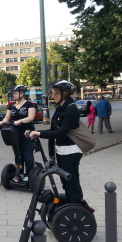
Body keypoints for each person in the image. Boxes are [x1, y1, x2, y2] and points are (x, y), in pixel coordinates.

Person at [26, 80, 92, 208]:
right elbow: (52, 130)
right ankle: (70, 205)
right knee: (65, 182)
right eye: (53, 93)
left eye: (55, 93)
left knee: (71, 181)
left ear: (65, 94)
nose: (53, 96)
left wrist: (39, 133)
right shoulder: (60, 109)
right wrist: (35, 132)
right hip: (61, 150)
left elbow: (62, 132)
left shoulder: (71, 109)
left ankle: (76, 207)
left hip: (72, 151)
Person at [0, 85, 36, 181]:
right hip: (14, 134)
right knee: (18, 154)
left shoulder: (29, 104)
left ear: (22, 93)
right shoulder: (11, 105)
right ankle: (19, 173)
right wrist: (3, 122)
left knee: (27, 154)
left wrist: (20, 121)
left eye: (15, 93)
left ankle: (29, 174)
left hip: (27, 133)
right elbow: (7, 117)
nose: (14, 95)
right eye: (13, 93)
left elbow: (31, 117)